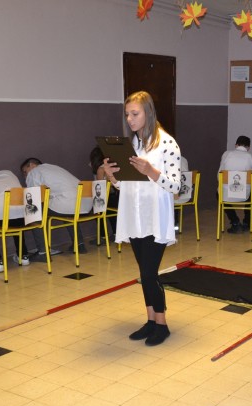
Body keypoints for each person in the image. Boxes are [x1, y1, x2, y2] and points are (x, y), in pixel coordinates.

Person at [100, 91, 181, 346]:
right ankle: (151, 320)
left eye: (134, 114)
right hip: (134, 216)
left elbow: (176, 186)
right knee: (144, 272)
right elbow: (126, 185)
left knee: (149, 272)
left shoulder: (167, 143)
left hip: (155, 217)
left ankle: (162, 325)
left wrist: (151, 171)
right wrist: (112, 176)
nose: (130, 119)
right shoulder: (133, 144)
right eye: (127, 114)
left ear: (148, 112)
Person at [21, 157, 89, 255]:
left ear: (31, 165)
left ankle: (43, 252)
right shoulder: (54, 167)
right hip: (85, 204)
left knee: (32, 211)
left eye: (25, 172)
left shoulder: (34, 172)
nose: (25, 176)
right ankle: (79, 245)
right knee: (67, 210)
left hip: (68, 204)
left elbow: (33, 195)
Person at [218, 135, 252, 233]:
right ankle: (247, 223)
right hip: (244, 195)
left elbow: (219, 175)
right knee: (251, 192)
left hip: (226, 194)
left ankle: (235, 221)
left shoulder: (226, 154)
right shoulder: (251, 157)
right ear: (248, 147)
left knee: (219, 194)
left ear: (236, 145)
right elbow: (251, 176)